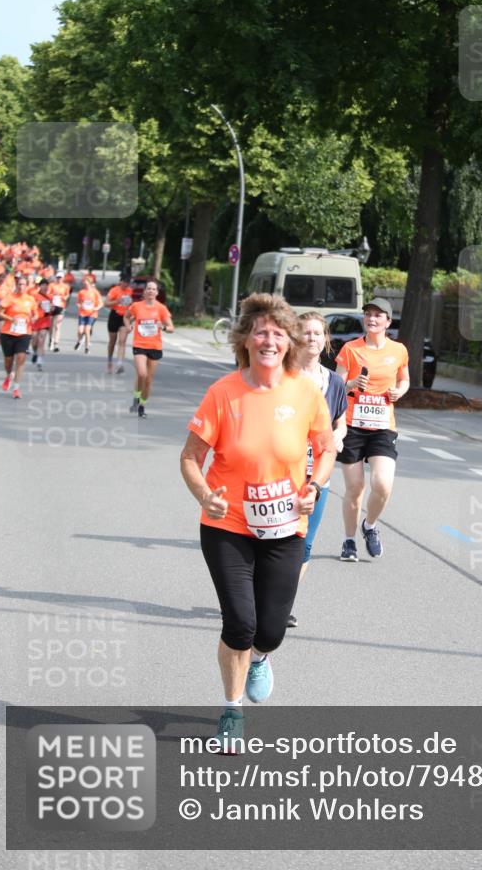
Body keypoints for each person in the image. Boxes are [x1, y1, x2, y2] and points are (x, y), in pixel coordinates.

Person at [179, 294, 336, 749]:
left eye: (278, 333)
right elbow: (191, 457)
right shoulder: (223, 393)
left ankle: (261, 658)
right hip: (227, 526)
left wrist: (314, 486)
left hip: (285, 526)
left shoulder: (305, 392)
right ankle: (232, 710)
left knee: (269, 630)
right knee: (240, 624)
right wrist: (205, 496)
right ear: (245, 340)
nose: (270, 340)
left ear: (288, 343)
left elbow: (325, 447)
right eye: (261, 332)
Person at [335, 297, 409, 561]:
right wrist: (353, 382)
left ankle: (370, 525)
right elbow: (337, 386)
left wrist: (399, 391)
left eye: (379, 315)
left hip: (382, 428)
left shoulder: (398, 350)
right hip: (353, 426)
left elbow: (404, 379)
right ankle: (348, 541)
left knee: (383, 484)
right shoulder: (350, 349)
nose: (372, 319)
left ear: (388, 322)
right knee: (355, 488)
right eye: (368, 314)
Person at [287, 311, 347, 627]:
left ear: (326, 340)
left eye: (317, 333)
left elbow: (341, 422)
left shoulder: (334, 382)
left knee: (305, 541)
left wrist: (338, 435)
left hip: (317, 473)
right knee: (271, 537)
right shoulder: (284, 376)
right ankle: (260, 594)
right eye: (306, 332)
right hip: (281, 472)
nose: (312, 337)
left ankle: (282, 604)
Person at [123, 280, 174, 418]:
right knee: (142, 373)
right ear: (145, 291)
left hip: (155, 347)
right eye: (149, 289)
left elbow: (171, 328)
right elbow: (126, 317)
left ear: (157, 293)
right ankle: (136, 397)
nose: (151, 291)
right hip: (139, 344)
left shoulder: (161, 308)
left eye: (153, 289)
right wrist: (128, 326)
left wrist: (162, 326)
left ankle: (142, 405)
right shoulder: (136, 306)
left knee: (149, 380)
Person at [0, 274, 39, 398]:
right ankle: (9, 375)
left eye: (23, 284)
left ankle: (16, 388)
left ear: (27, 286)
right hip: (8, 333)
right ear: (16, 285)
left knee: (21, 358)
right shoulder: (9, 298)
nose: (21, 286)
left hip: (24, 333)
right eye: (19, 284)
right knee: (8, 361)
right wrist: (11, 319)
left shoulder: (30, 299)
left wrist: (34, 318)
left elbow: (36, 314)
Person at [105, 273, 133, 373]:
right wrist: (117, 301)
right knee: (112, 341)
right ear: (120, 282)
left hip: (125, 318)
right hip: (114, 316)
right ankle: (109, 361)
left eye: (128, 283)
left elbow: (132, 305)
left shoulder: (130, 291)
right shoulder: (114, 290)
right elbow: (106, 303)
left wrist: (132, 316)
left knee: (122, 340)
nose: (126, 285)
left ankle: (120, 363)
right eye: (124, 282)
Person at [73, 277, 103, 353]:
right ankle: (79, 341)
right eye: (84, 283)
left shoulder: (95, 292)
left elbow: (101, 303)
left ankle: (87, 347)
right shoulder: (81, 292)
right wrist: (79, 305)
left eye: (86, 282)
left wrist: (97, 308)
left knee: (87, 330)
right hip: (82, 313)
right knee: (80, 331)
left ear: (90, 283)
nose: (85, 284)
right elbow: (78, 302)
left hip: (92, 314)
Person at [30, 279, 53, 371]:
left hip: (45, 322)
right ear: (40, 286)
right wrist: (37, 305)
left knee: (41, 340)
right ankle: (35, 352)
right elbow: (30, 307)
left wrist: (52, 308)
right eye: (43, 285)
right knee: (34, 341)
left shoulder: (50, 297)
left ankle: (39, 361)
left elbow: (51, 310)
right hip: (35, 321)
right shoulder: (35, 296)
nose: (45, 287)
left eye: (46, 285)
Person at [49, 272, 70, 351]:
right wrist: (53, 295)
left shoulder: (66, 286)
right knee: (51, 325)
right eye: (58, 277)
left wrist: (65, 297)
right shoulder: (52, 285)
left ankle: (56, 343)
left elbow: (67, 295)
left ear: (63, 278)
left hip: (61, 306)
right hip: (52, 306)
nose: (59, 279)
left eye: (60, 277)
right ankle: (51, 339)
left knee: (57, 325)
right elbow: (48, 294)